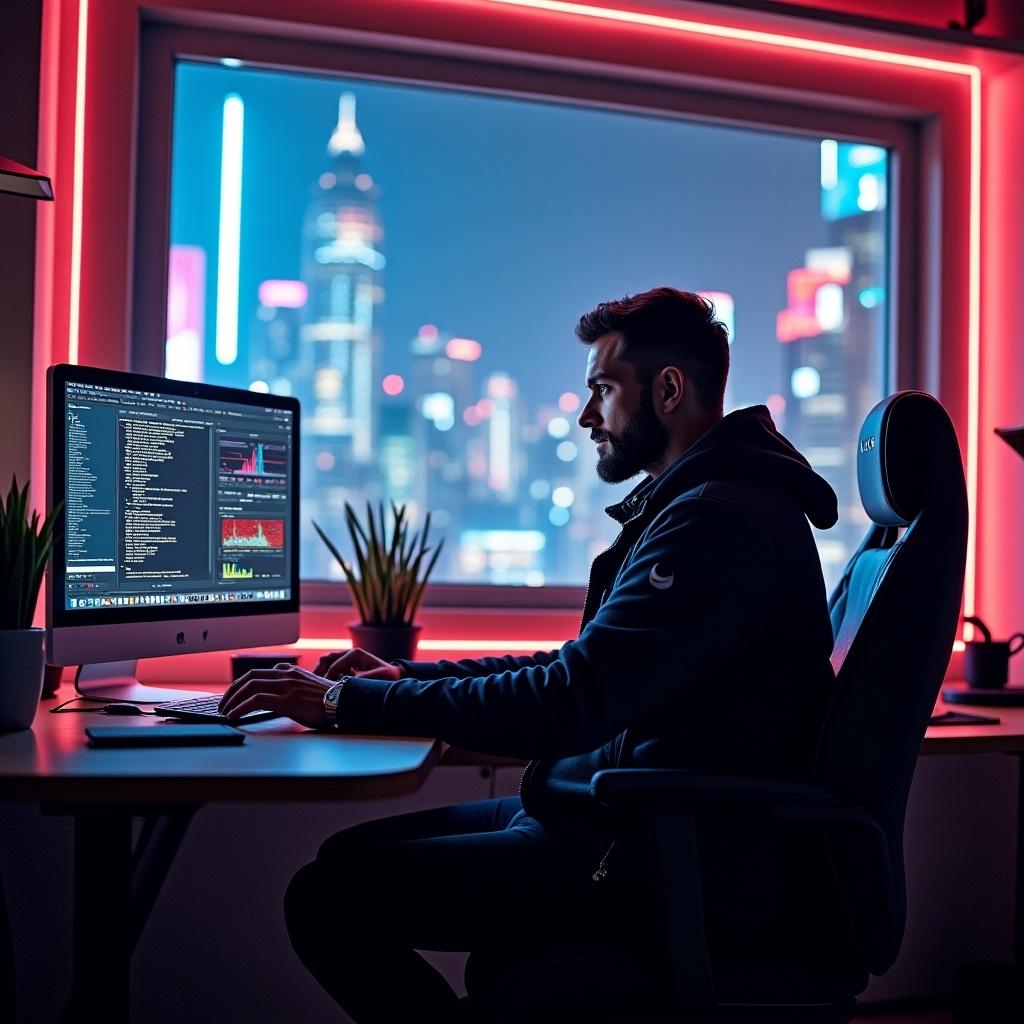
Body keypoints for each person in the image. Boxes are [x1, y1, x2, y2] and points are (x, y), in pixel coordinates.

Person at [219, 287, 841, 1022]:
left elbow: (569, 700)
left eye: (603, 390)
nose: (586, 417)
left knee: (328, 899)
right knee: (340, 866)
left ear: (668, 389)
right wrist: (402, 678)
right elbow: (578, 667)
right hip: (608, 821)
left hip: (652, 857)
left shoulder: (717, 524)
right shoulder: (700, 505)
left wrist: (342, 701)